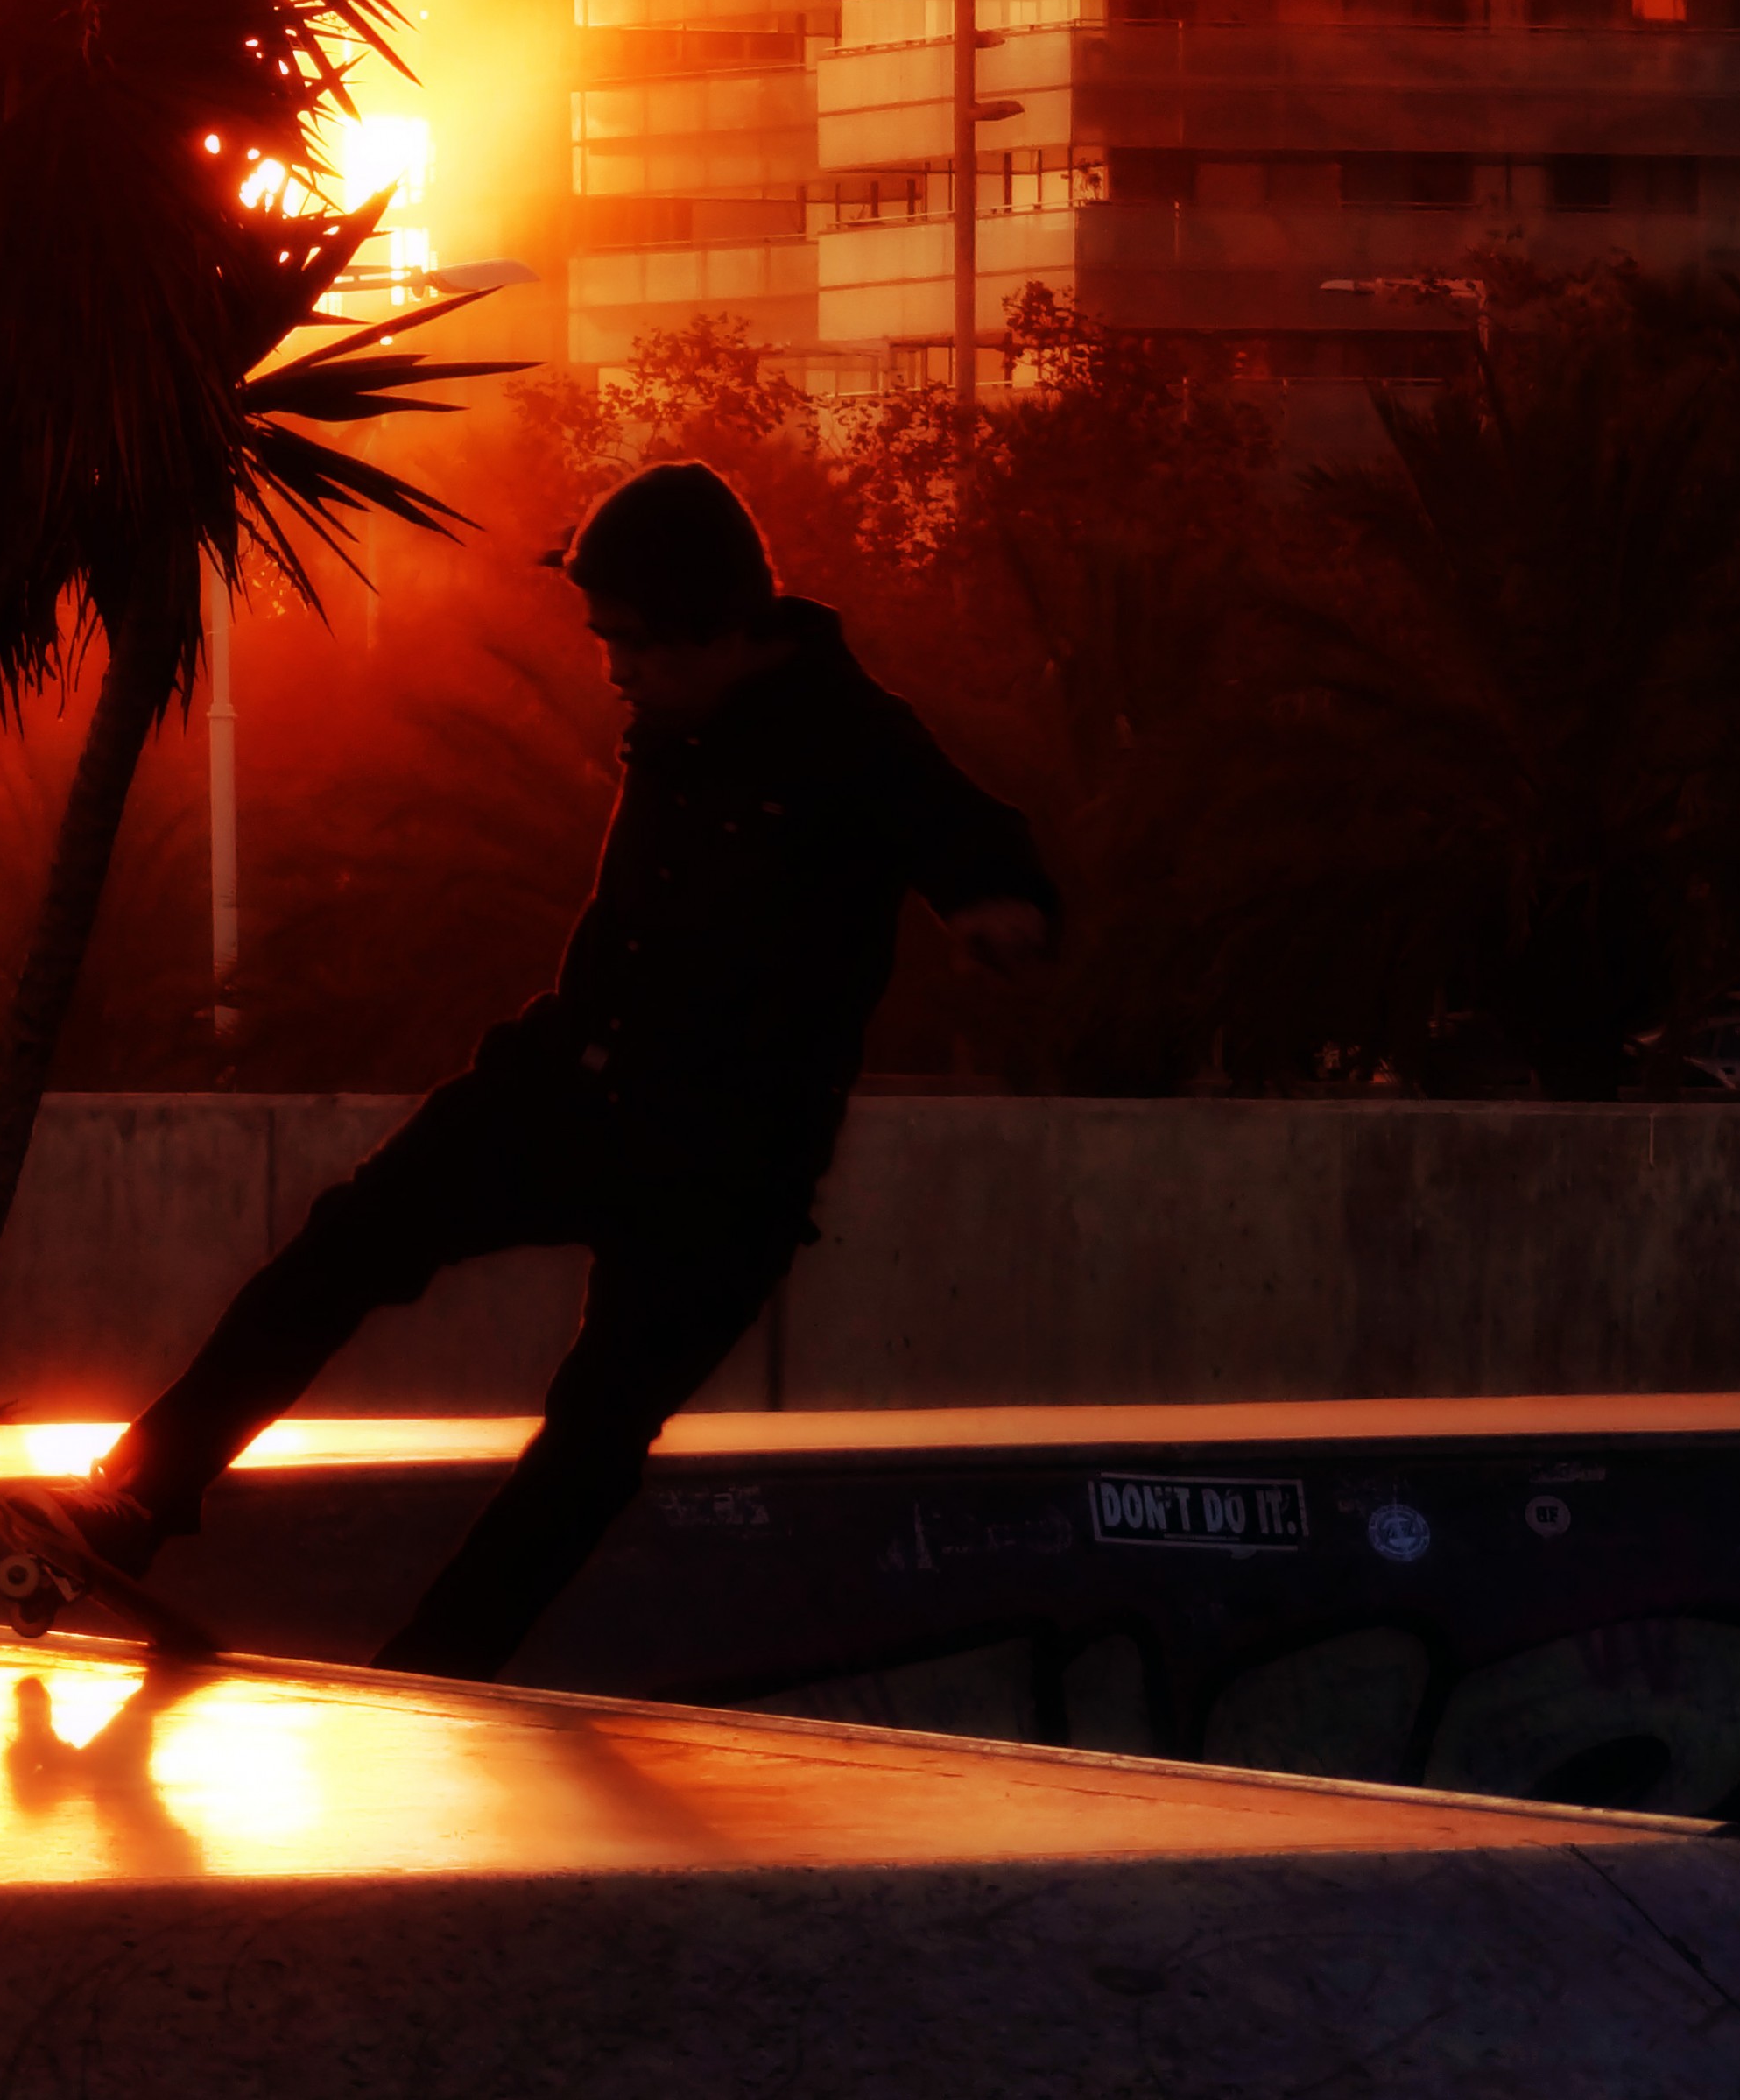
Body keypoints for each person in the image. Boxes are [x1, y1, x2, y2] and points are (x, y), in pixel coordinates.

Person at [53, 461, 1059, 1680]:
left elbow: (972, 829)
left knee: (597, 1435)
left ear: (716, 626)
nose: (614, 669)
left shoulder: (855, 738)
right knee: (348, 1241)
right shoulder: (688, 702)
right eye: (602, 639)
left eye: (631, 642)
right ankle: (136, 1497)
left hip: (729, 1163)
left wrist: (997, 903)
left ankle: (437, 1666)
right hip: (572, 1083)